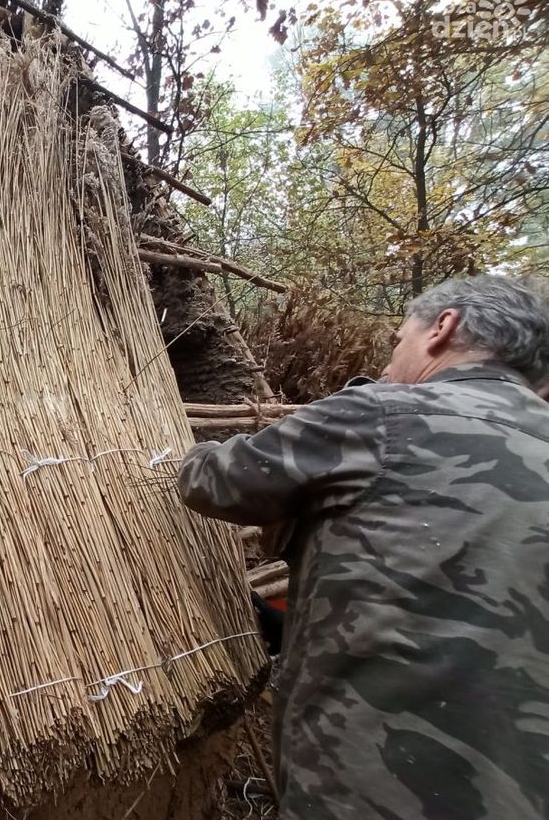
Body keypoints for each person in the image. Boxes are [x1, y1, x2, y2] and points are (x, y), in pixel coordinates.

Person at [177, 275, 549, 819]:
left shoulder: (382, 415)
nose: (388, 364)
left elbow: (214, 482)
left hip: (376, 778)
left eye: (398, 340)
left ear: (443, 329)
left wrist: (189, 448)